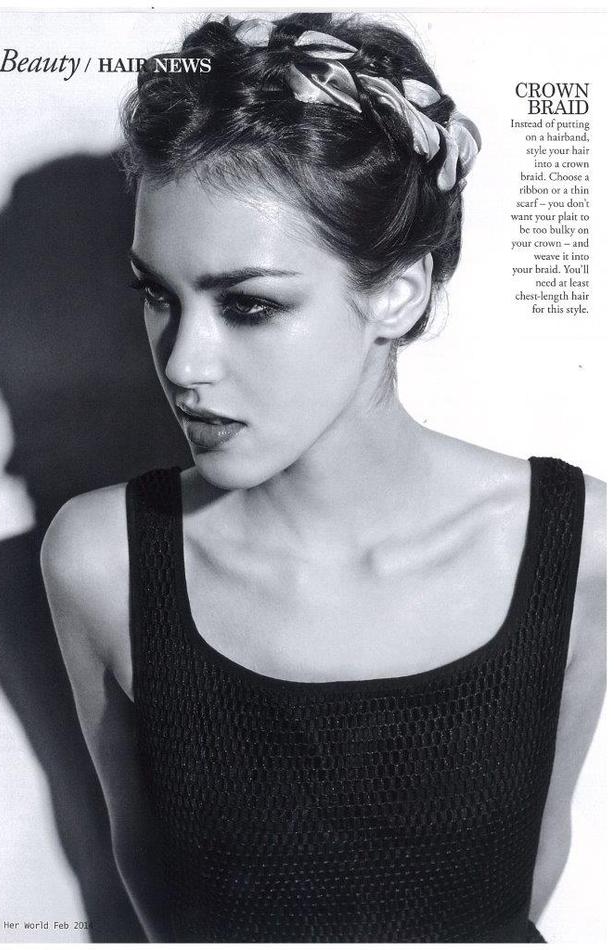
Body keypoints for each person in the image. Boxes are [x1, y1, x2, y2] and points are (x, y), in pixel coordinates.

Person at [40, 12, 605, 943]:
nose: (183, 363)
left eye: (250, 305)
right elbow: (155, 893)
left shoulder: (577, 539)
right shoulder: (102, 559)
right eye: (157, 295)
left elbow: (522, 886)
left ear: (398, 293)